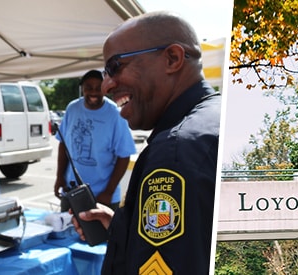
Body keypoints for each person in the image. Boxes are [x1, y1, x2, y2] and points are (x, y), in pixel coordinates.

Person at [74, 11, 221, 274]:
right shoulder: (213, 116)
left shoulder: (175, 150)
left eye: (115, 67)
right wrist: (122, 226)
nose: (106, 85)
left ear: (172, 58)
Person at [54, 70, 136, 210]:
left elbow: (124, 156)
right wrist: (60, 177)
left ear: (105, 88)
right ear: (82, 89)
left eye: (98, 88)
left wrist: (108, 192)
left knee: (101, 233)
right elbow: (63, 145)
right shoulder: (72, 108)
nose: (93, 92)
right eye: (88, 87)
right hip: (72, 192)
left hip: (102, 196)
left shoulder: (115, 114)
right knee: (67, 231)